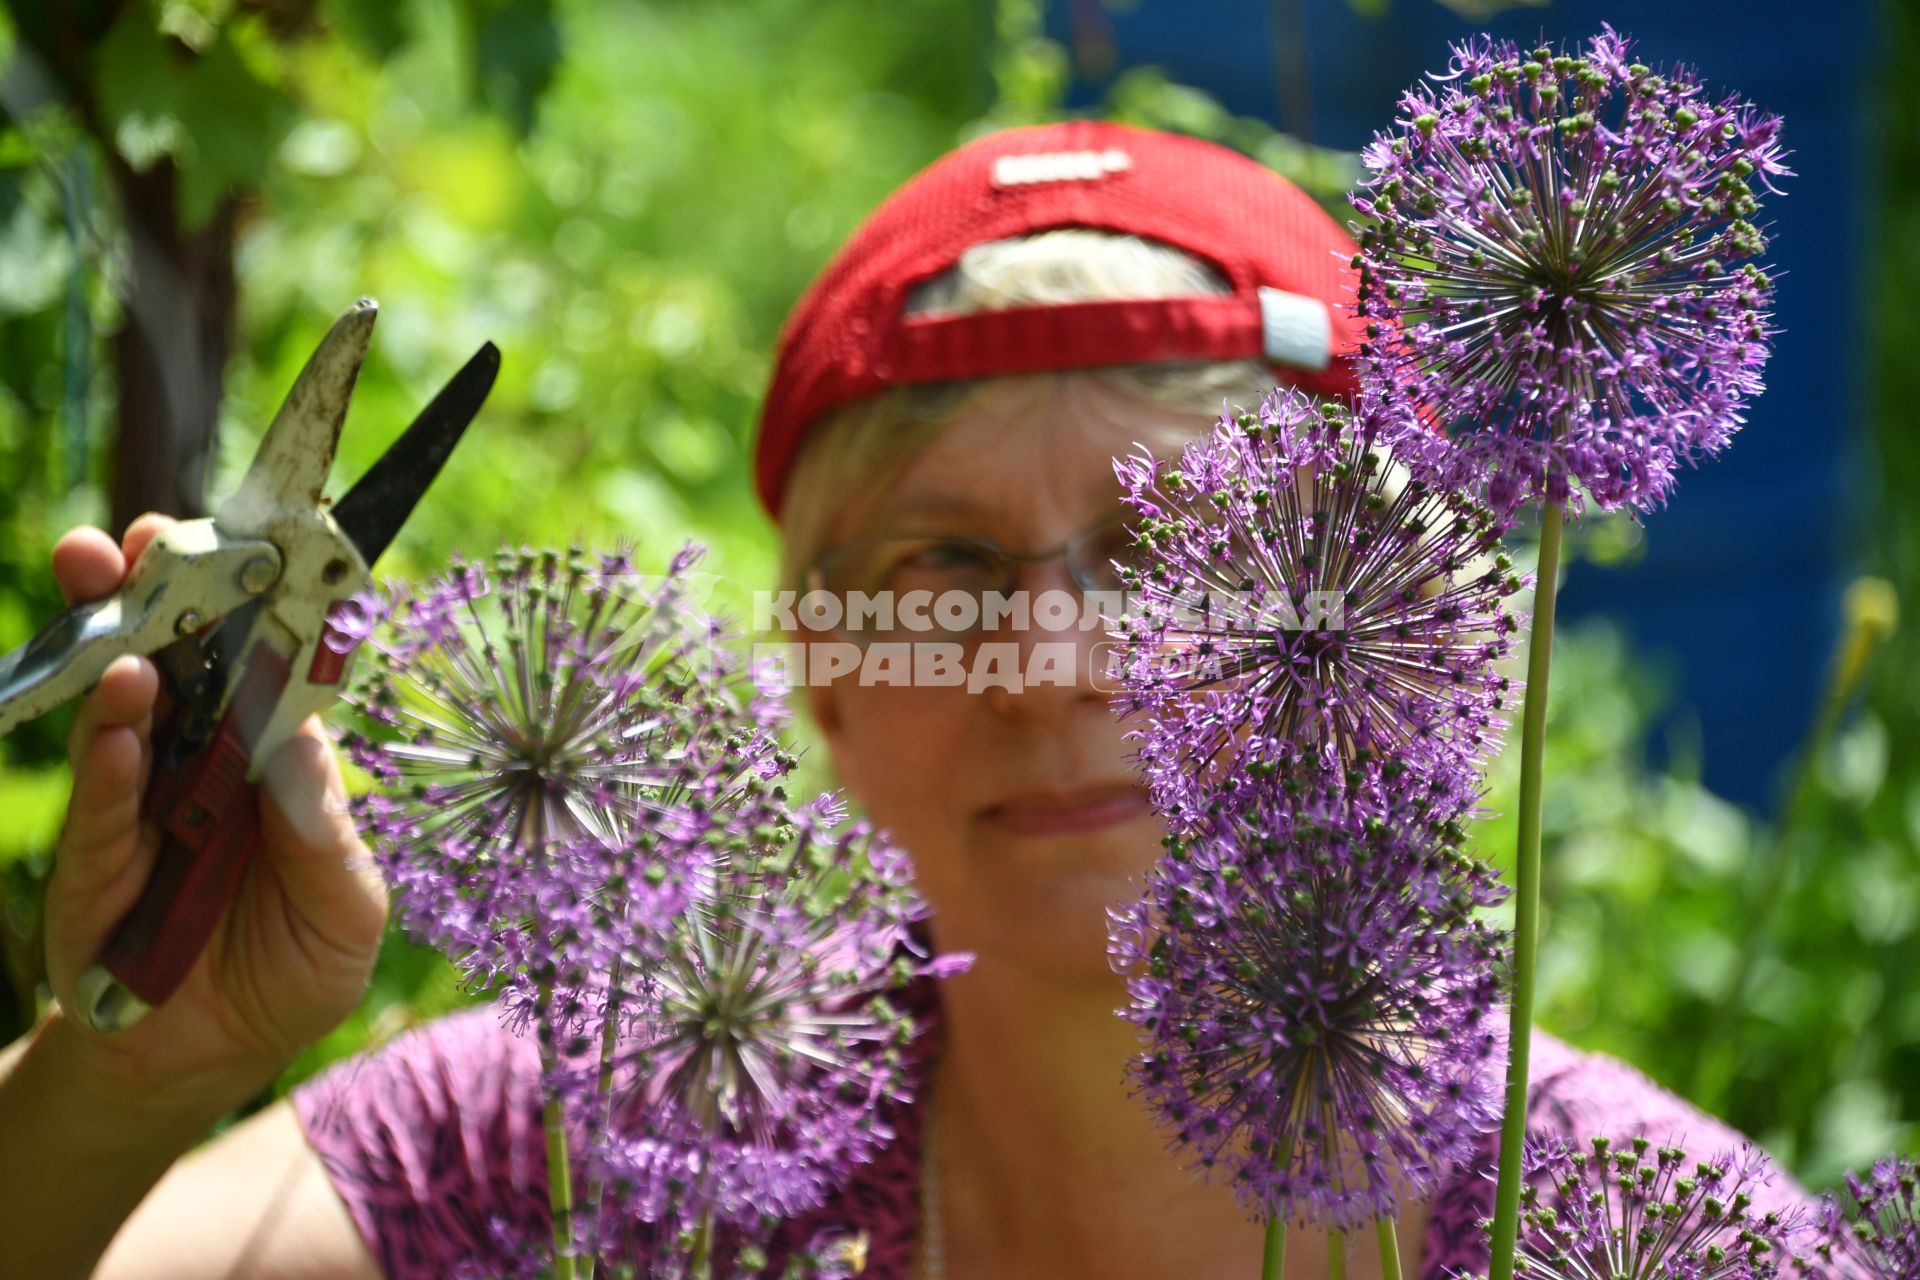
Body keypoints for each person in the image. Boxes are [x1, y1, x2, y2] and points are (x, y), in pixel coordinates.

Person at [0, 121, 1816, 1280]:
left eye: (1180, 554)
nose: (1053, 665)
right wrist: (129, 1075)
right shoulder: (622, 1128)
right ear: (826, 686)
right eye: (941, 570)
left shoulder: (1640, 1241)